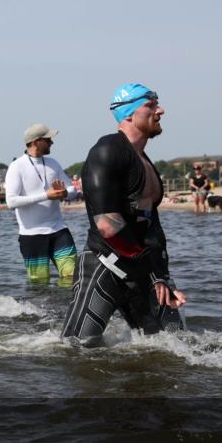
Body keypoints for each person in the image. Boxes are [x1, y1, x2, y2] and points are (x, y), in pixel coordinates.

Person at [62, 84, 186, 347]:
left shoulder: (143, 159)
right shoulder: (107, 151)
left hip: (143, 267)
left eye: (157, 103)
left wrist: (162, 275)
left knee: (174, 345)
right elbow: (107, 226)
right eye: (151, 105)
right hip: (105, 264)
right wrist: (152, 273)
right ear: (129, 113)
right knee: (74, 349)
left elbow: (152, 222)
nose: (160, 110)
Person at [3, 123, 78, 283]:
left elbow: (73, 190)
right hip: (32, 236)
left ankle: (68, 307)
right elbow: (11, 201)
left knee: (73, 277)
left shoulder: (53, 163)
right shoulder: (16, 167)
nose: (52, 142)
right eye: (48, 139)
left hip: (59, 230)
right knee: (39, 285)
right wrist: (46, 195)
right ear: (36, 141)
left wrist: (65, 193)